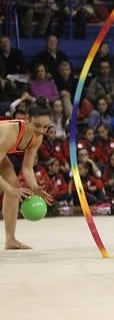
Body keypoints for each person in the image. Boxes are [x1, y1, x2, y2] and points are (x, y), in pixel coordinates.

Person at [0, 97, 54, 250]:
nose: (41, 131)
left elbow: (27, 168)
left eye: (45, 127)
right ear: (27, 119)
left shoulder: (37, 138)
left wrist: (35, 187)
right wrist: (9, 190)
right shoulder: (10, 133)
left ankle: (10, 240)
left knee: (13, 184)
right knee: (11, 188)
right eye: (37, 125)